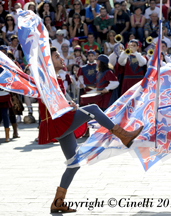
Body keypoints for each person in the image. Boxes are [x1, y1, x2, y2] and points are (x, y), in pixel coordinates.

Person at [46, 46, 144, 213]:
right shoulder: (46, 78)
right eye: (56, 57)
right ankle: (123, 135)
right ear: (48, 62)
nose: (61, 59)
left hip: (62, 122)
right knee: (93, 108)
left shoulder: (55, 78)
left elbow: (58, 99)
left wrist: (69, 104)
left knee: (73, 163)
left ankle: (58, 202)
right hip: (58, 123)